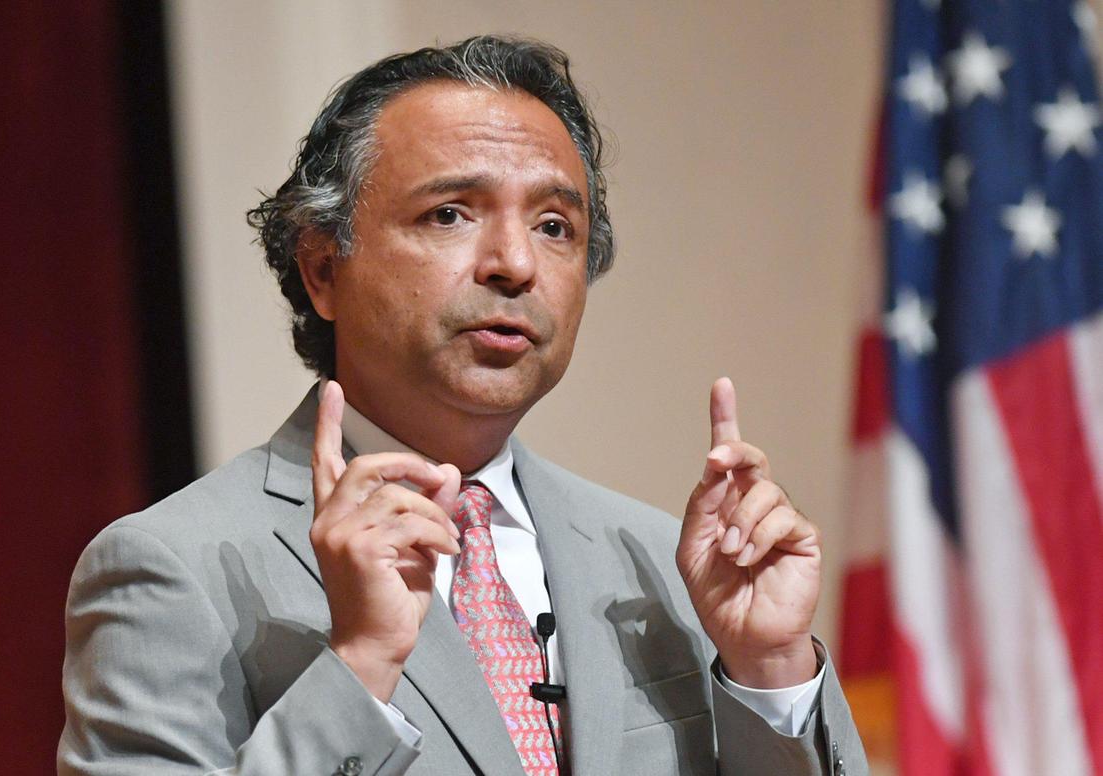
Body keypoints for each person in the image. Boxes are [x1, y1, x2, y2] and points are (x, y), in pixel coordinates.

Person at [59, 35, 866, 775]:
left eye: (554, 226)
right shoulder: (172, 570)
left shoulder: (663, 561)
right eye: (449, 213)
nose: (515, 263)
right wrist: (360, 666)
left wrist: (769, 670)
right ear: (323, 269)